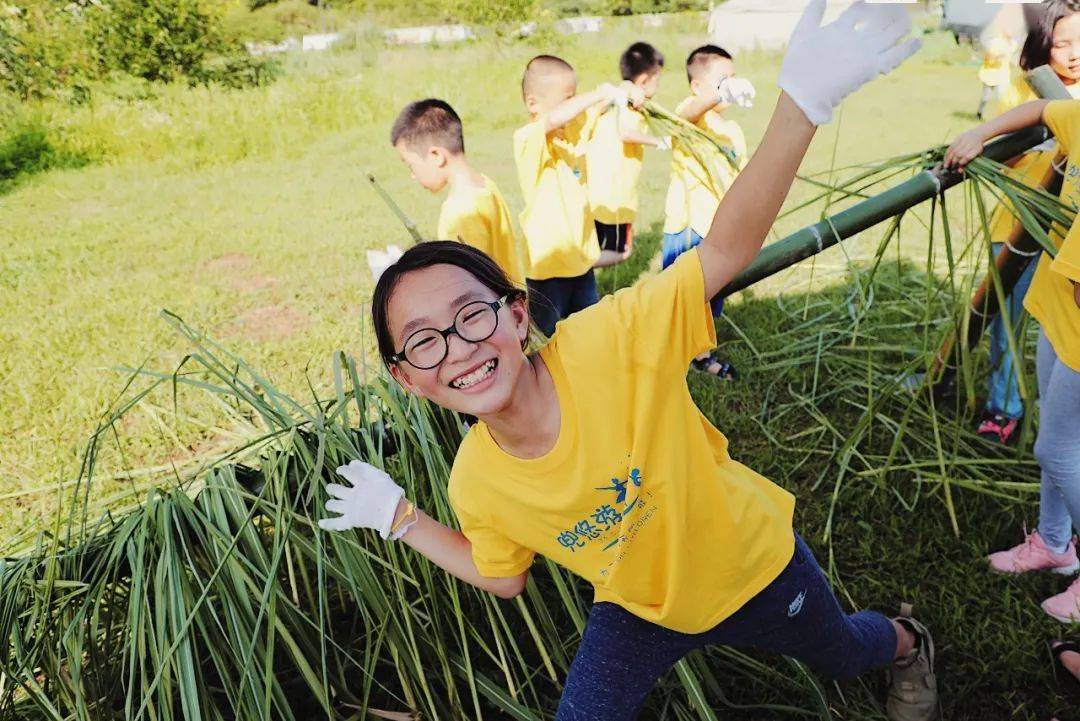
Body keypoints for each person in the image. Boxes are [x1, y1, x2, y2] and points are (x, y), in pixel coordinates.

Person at [323, 2, 930, 719]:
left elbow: (724, 253)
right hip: (639, 606)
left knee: (844, 654)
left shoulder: (609, 338)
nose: (459, 347)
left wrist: (801, 106)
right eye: (425, 340)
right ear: (406, 376)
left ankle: (909, 641)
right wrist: (400, 516)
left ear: (517, 315)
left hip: (751, 562)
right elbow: (501, 572)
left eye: (471, 314)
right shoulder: (477, 481)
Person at [945, 71, 1080, 624]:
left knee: (1055, 450)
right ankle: (1053, 541)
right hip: (1059, 315)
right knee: (1059, 436)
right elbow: (1045, 111)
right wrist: (981, 133)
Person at [973, 0, 1080, 444]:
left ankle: (1058, 410)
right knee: (1009, 321)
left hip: (1069, 238)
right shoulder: (1025, 89)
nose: (1075, 53)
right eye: (1063, 44)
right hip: (1017, 226)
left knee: (1062, 328)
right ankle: (1005, 406)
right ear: (1042, 47)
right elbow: (999, 150)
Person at [514, 55, 640, 336]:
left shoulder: (572, 131)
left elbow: (602, 107)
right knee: (547, 335)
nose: (573, 105)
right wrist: (598, 93)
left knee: (589, 330)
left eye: (574, 96)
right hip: (549, 267)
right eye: (566, 98)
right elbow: (558, 116)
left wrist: (625, 90)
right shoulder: (527, 138)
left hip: (582, 261)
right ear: (533, 103)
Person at [662, 44, 755, 379]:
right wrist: (717, 95)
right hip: (690, 226)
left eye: (734, 78)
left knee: (711, 298)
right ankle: (678, 355)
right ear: (698, 86)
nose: (730, 86)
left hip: (721, 229)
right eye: (722, 80)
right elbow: (684, 116)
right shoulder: (689, 117)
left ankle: (698, 354)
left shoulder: (732, 131)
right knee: (684, 298)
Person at [389, 98, 527, 288]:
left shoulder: (459, 213)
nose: (412, 175)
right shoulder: (485, 184)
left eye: (410, 164)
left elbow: (465, 283)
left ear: (436, 156)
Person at [587, 41, 669, 269]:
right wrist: (660, 142)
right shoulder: (625, 102)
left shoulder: (615, 99)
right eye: (657, 78)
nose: (658, 84)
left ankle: (578, 276)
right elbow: (625, 133)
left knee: (595, 245)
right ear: (644, 80)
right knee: (620, 250)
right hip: (615, 194)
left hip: (596, 190)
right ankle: (574, 270)